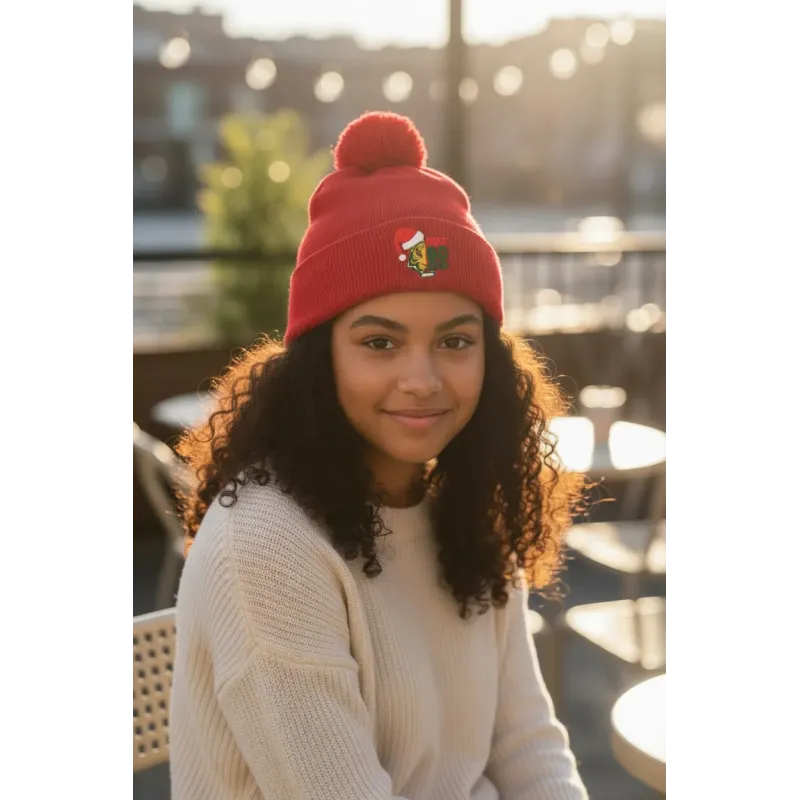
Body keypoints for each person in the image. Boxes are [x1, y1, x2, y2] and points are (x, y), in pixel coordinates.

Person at [170, 111, 589, 800]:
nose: (422, 379)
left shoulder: (464, 501)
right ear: (318, 359)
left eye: (455, 342)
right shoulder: (267, 545)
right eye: (380, 342)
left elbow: (528, 746)